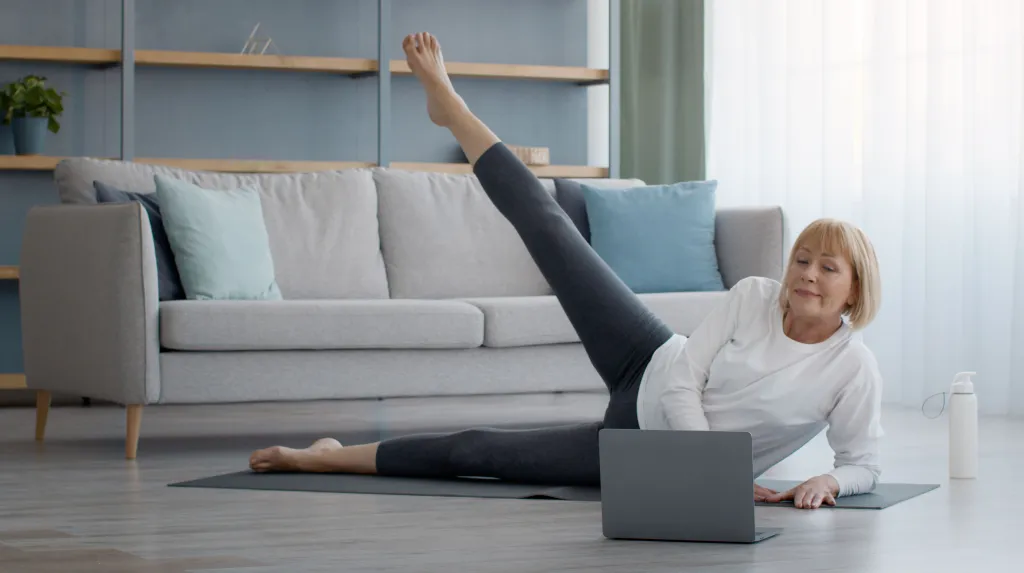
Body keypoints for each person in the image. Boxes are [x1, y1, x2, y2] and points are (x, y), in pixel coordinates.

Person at [250, 32, 885, 511]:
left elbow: (864, 463)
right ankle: (453, 109)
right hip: (651, 359)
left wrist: (828, 478)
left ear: (854, 290)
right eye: (802, 258)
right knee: (552, 230)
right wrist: (718, 469)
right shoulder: (753, 296)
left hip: (645, 455)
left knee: (479, 452)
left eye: (828, 268)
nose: (807, 274)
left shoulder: (851, 368)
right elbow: (682, 382)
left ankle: (326, 458)